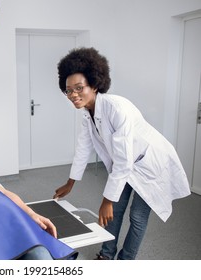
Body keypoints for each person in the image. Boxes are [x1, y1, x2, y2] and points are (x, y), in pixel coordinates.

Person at [53, 47, 191, 260]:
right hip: (126, 164)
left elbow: (124, 161)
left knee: (136, 216)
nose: (73, 95)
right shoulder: (87, 113)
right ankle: (106, 255)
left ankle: (125, 262)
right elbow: (83, 148)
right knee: (115, 212)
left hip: (149, 164)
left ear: (95, 84)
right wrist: (71, 182)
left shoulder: (116, 108)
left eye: (79, 88)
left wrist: (107, 200)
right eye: (68, 90)